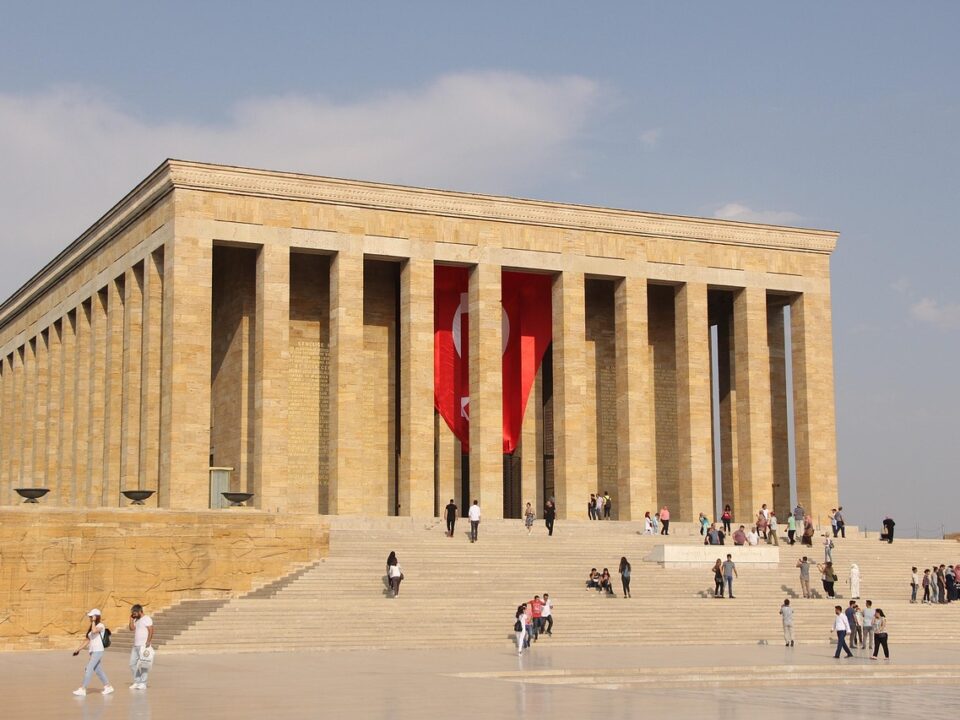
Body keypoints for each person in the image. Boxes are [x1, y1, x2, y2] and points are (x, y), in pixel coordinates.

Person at [72, 609, 114, 696]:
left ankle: (83, 689)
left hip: (98, 651)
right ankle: (108, 686)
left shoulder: (101, 625)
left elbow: (95, 631)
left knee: (89, 668)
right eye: (90, 617)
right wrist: (78, 649)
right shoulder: (92, 626)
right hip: (92, 651)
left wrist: (94, 621)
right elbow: (87, 640)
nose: (90, 618)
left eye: (92, 616)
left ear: (96, 616)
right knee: (98, 670)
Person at [127, 604, 154, 690]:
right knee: (132, 664)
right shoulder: (136, 620)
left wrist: (148, 641)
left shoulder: (147, 618)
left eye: (134, 613)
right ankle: (137, 681)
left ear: (139, 611)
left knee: (144, 664)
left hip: (144, 645)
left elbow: (151, 630)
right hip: (136, 645)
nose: (133, 615)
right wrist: (131, 619)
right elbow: (131, 628)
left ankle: (143, 683)